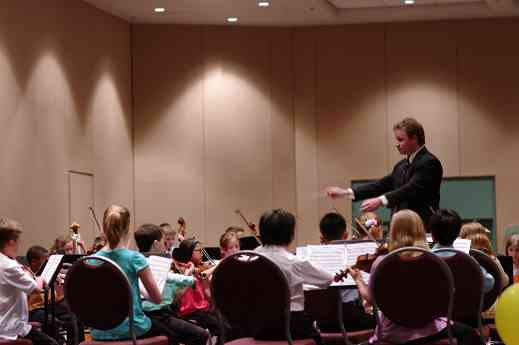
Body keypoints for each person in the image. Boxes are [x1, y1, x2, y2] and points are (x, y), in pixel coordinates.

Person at [348, 210, 483, 345]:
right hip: (431, 330)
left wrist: (358, 279)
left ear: (393, 231)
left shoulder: (382, 262)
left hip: (392, 333)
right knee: (470, 334)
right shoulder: (434, 261)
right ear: (421, 230)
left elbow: (372, 300)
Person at [326, 117, 443, 227]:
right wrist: (346, 192)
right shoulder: (401, 166)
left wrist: (380, 201)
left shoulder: (429, 162)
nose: (397, 144)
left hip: (421, 228)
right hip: (400, 228)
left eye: (401, 140)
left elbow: (410, 189)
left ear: (414, 139)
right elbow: (380, 185)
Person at [254, 209, 342, 343]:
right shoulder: (294, 262)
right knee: (317, 338)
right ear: (290, 234)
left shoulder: (252, 256)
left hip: (260, 327)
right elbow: (327, 279)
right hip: (290, 325)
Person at [91, 205, 164, 342]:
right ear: (127, 228)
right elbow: (157, 299)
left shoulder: (92, 260)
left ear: (104, 226)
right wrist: (141, 290)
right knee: (172, 331)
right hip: (132, 328)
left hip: (99, 330)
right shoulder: (135, 259)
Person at [134, 224, 209, 345]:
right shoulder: (158, 264)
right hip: (155, 316)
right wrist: (188, 278)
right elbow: (173, 300)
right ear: (155, 244)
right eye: (164, 242)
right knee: (200, 335)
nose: (167, 246)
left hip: (140, 316)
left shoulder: (135, 261)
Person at [0, 218, 58, 345]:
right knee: (52, 343)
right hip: (11, 327)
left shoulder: (6, 261)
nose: (18, 245)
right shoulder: (9, 266)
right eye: (18, 242)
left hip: (7, 322)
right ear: (11, 242)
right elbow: (36, 288)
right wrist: (40, 278)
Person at [318, 212, 376, 332]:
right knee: (380, 322)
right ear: (346, 235)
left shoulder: (315, 258)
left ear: (321, 238)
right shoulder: (353, 255)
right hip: (353, 318)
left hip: (324, 322)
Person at [429, 209, 495, 293]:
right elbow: (489, 283)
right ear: (457, 235)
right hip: (464, 306)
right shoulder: (468, 261)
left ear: (432, 236)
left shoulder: (426, 260)